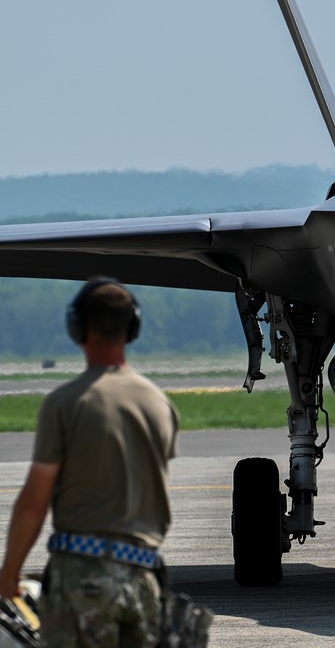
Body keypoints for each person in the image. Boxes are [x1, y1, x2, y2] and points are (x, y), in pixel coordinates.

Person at [0, 277, 180, 646]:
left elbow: (35, 503)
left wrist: (10, 573)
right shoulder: (159, 405)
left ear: (77, 328)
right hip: (144, 576)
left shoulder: (67, 403)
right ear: (133, 328)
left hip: (83, 576)